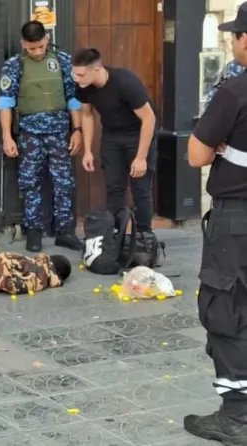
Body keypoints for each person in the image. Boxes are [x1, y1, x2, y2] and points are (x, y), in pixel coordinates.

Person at [182, 7, 247, 444]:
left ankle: (237, 416)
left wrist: (223, 146)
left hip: (238, 220)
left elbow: (195, 155)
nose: (232, 42)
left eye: (236, 35)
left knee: (227, 309)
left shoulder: (235, 91)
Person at [0, 20, 83, 253]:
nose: (36, 52)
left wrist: (77, 130)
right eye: (31, 47)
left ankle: (65, 232)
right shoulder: (14, 66)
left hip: (59, 133)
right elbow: (5, 103)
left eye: (40, 46)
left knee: (63, 182)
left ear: (47, 39)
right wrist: (7, 136)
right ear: (22, 44)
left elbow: (73, 98)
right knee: (30, 183)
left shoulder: (62, 60)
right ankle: (33, 232)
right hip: (30, 135)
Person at [72, 48, 158, 236]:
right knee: (114, 188)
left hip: (138, 134)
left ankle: (144, 236)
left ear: (97, 69)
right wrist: (88, 151)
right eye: (74, 74)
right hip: (112, 136)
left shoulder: (125, 82)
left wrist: (141, 158)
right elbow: (87, 115)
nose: (77, 79)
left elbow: (149, 119)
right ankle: (116, 235)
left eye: (81, 75)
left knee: (140, 188)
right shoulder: (83, 86)